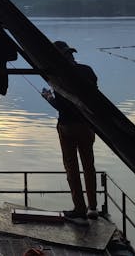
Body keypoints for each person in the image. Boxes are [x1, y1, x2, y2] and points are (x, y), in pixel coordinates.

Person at [41, 41, 98, 226]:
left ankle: (79, 209)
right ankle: (93, 208)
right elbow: (95, 98)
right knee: (89, 166)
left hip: (67, 127)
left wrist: (48, 97)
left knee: (72, 168)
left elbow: (61, 105)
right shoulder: (88, 71)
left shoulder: (57, 76)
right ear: (71, 55)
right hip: (87, 126)